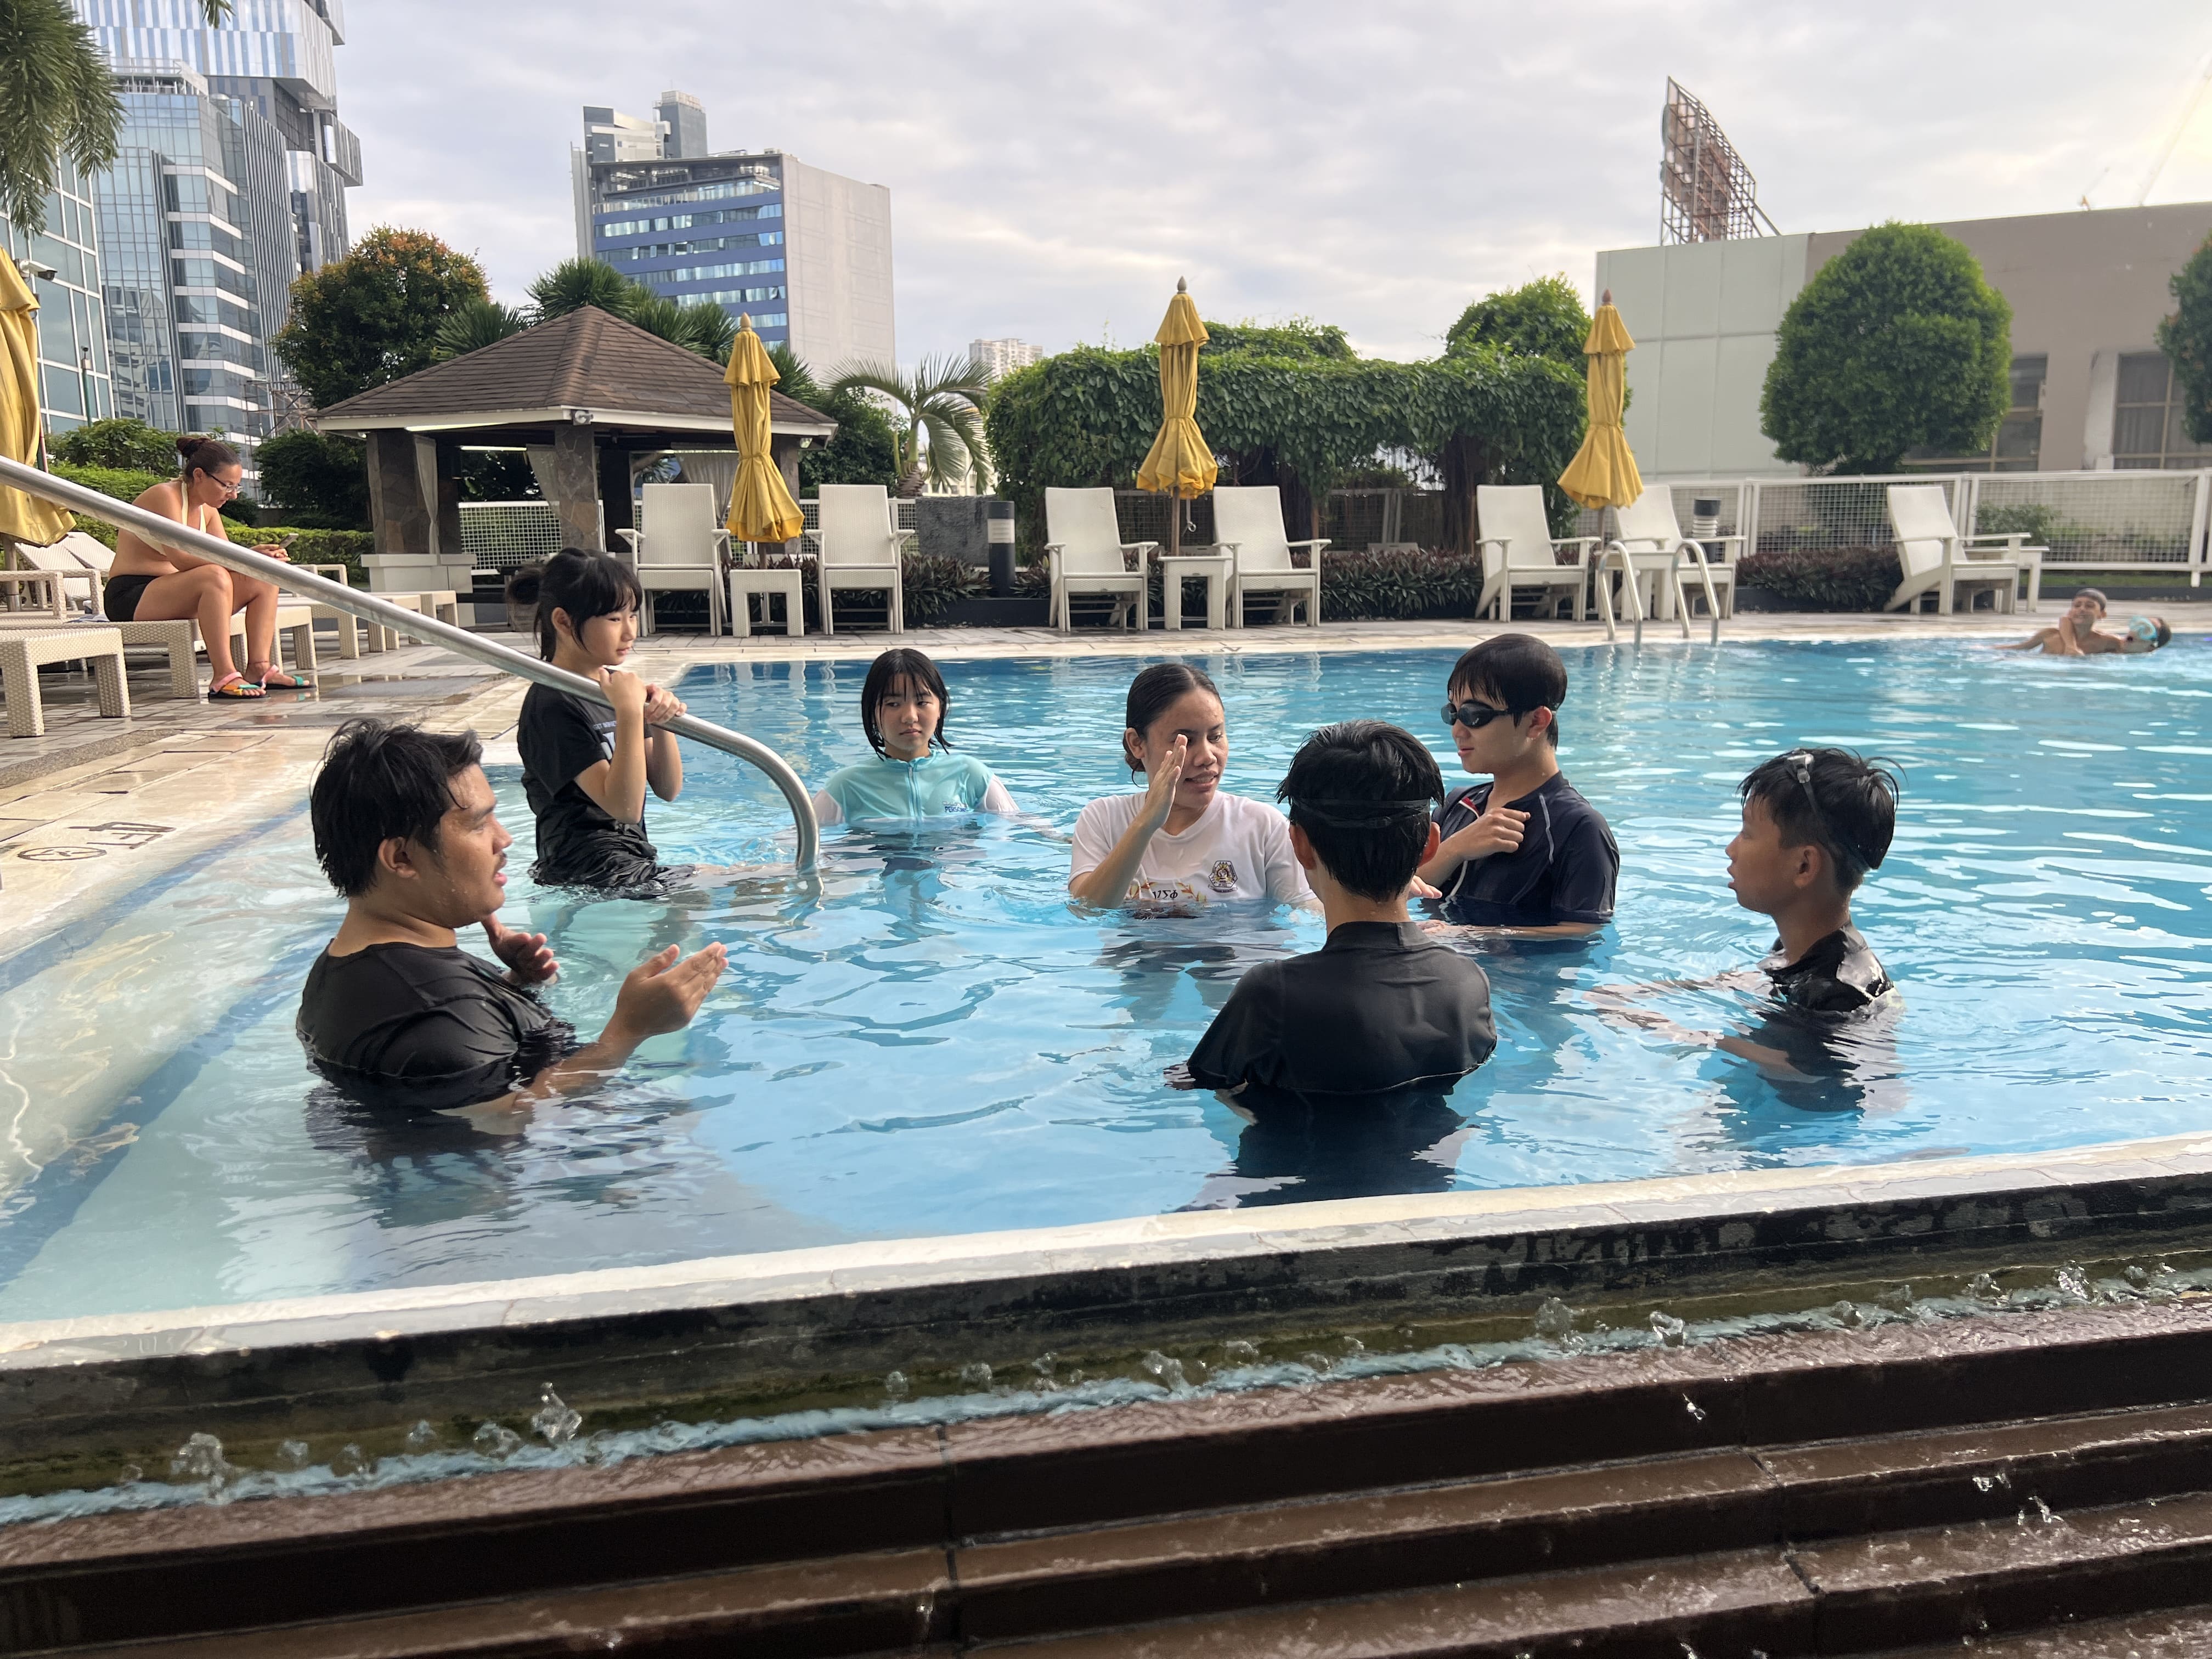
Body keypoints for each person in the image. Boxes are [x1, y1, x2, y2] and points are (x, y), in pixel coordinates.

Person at [296, 718, 726, 1115]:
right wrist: (629, 1031)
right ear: (402, 858)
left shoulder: (343, 968)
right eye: (478, 824)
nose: (504, 839)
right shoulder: (433, 1014)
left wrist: (511, 986)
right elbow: (507, 1122)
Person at [1168, 720, 1497, 1099]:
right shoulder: (1467, 983)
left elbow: (1194, 1082)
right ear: (1429, 847)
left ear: (1300, 846)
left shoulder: (1273, 994)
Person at [1593, 747, 1900, 1082]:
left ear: (1804, 866)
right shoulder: (1797, 949)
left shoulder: (1839, 992)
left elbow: (1812, 1070)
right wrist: (1651, 991)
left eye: (1748, 834)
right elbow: (1762, 979)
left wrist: (1674, 1031)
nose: (1731, 849)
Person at [509, 550, 693, 892]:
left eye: (632, 616)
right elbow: (625, 808)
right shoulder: (552, 704)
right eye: (614, 619)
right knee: (752, 886)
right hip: (587, 870)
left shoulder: (613, 689)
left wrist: (662, 720)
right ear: (564, 622)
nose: (630, 632)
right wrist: (629, 712)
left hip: (626, 863)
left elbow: (668, 788)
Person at [1417, 634, 1618, 936]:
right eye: (1453, 714)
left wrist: (1471, 937)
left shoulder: (1579, 828)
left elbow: (1584, 931)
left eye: (1474, 715)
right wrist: (1455, 849)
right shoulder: (1458, 805)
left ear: (1536, 721)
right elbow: (1399, 890)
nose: (1458, 730)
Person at [1069, 662, 1311, 915]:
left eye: (1215, 737)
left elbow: (1310, 916)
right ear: (1137, 743)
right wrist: (1145, 825)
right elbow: (1086, 910)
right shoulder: (1103, 820)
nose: (1207, 757)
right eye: (1185, 741)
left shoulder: (1262, 828)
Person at [101, 434, 299, 700]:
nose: (233, 495)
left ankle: (259, 668)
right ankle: (224, 675)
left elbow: (228, 557)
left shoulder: (208, 510)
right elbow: (182, 559)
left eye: (237, 487)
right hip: (132, 596)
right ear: (199, 476)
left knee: (263, 576)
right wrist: (246, 558)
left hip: (177, 593)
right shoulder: (165, 496)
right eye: (227, 486)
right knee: (214, 575)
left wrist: (257, 560)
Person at [812, 648, 1018, 826]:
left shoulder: (971, 776)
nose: (910, 717)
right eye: (893, 704)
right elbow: (802, 843)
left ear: (940, 708)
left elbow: (1017, 829)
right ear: (872, 713)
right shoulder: (845, 787)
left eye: (922, 703)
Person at [1999, 588, 2124, 656]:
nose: (2082, 609)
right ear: (2070, 612)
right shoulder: (2049, 635)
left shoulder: (2107, 641)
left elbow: (2129, 648)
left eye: (2089, 606)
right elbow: (2020, 648)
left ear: (2102, 615)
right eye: (2077, 606)